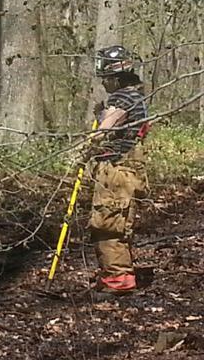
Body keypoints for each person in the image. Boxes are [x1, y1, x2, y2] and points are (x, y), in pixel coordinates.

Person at [86, 45, 149, 295]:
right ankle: (114, 274)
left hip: (117, 169)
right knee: (117, 221)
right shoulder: (135, 96)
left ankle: (119, 281)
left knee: (108, 222)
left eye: (106, 80)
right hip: (126, 167)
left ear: (115, 77)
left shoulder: (123, 97)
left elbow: (104, 130)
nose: (104, 85)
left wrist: (85, 148)